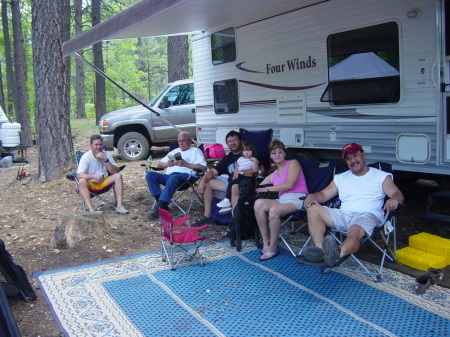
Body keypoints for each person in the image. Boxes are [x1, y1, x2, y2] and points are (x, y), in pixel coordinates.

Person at [302, 143, 404, 267]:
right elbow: (323, 195)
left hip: (367, 215)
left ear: (364, 155)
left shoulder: (381, 176)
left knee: (354, 230)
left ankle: (337, 254)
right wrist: (312, 196)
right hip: (343, 214)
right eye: (348, 158)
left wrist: (394, 199)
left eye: (355, 155)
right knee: (312, 209)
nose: (353, 160)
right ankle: (321, 251)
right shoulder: (341, 177)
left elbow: (397, 194)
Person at [254, 140, 309, 261]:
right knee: (258, 204)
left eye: (280, 152)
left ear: (284, 154)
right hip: (283, 200)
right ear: (270, 156)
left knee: (274, 210)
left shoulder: (293, 163)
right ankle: (266, 241)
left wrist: (267, 189)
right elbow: (258, 187)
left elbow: (289, 185)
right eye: (274, 152)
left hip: (298, 199)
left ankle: (273, 248)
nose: (277, 155)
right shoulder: (274, 173)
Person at [146, 131, 207, 219]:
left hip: (186, 178)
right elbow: (159, 164)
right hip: (169, 177)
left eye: (183, 140)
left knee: (173, 178)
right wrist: (168, 164)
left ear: (190, 141)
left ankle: (158, 209)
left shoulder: (196, 151)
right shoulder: (174, 151)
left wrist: (186, 164)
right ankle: (163, 206)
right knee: (150, 175)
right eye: (179, 141)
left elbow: (203, 167)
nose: (181, 143)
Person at [192, 130, 243, 226]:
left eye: (235, 140)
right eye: (229, 141)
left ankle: (234, 221)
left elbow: (261, 169)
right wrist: (202, 182)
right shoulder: (227, 159)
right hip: (230, 183)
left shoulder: (248, 154)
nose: (232, 143)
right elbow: (212, 172)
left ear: (241, 141)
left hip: (244, 184)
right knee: (208, 183)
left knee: (234, 187)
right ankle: (207, 216)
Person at [77, 134, 128, 214]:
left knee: (118, 176)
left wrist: (106, 160)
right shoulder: (86, 157)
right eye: (96, 145)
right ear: (91, 146)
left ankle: (119, 206)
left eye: (100, 144)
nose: (98, 147)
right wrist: (92, 176)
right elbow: (79, 175)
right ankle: (91, 210)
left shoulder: (107, 155)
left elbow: (115, 172)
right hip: (91, 183)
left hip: (104, 182)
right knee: (81, 181)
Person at [216, 140, 259, 214]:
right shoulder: (240, 159)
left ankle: (227, 200)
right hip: (240, 177)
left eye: (249, 150)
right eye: (245, 150)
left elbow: (255, 170)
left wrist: (254, 161)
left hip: (248, 178)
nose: (246, 152)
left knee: (233, 185)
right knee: (231, 183)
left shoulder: (253, 160)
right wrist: (235, 175)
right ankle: (227, 202)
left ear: (253, 151)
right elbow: (236, 169)